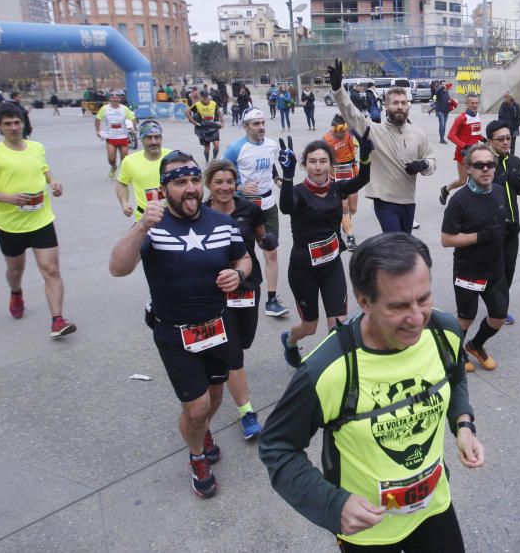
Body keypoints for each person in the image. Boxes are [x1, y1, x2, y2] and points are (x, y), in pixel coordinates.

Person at [259, 233, 484, 551]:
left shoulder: (444, 332)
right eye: (399, 306)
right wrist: (333, 504)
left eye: (424, 299)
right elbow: (277, 448)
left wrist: (462, 424)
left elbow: (456, 375)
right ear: (364, 301)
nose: (417, 317)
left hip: (434, 505)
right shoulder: (328, 368)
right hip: (370, 533)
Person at [109, 151, 252, 498]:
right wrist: (142, 225)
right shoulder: (152, 226)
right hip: (174, 330)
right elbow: (118, 267)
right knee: (197, 406)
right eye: (179, 182)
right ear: (164, 188)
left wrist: (238, 273)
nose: (189, 189)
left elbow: (244, 258)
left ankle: (200, 431)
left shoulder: (222, 222)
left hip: (217, 325)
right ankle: (197, 455)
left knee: (215, 396)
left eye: (192, 181)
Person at [0, 104, 76, 338]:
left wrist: (53, 182)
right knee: (15, 270)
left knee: (51, 269)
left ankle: (57, 320)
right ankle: (16, 292)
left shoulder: (36, 147)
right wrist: (8, 198)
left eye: (17, 122)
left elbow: (44, 168)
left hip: (41, 221)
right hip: (10, 226)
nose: (14, 127)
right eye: (8, 123)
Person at [277, 130, 373, 367]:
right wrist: (287, 177)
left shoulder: (337, 188)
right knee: (309, 327)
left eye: (323, 161)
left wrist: (365, 158)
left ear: (331, 164)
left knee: (338, 329)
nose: (318, 167)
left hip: (331, 266)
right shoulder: (298, 192)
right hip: (303, 270)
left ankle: (334, 376)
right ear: (304, 164)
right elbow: (286, 207)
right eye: (312, 162)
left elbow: (362, 180)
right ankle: (290, 340)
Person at [204, 159, 277, 440]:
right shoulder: (202, 213)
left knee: (243, 342)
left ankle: (223, 368)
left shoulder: (248, 209)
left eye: (229, 182)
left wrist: (268, 241)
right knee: (234, 354)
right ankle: (246, 411)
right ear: (209, 185)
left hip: (247, 287)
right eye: (218, 182)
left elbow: (261, 238)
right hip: (216, 292)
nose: (224, 187)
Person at [329, 60, 436, 234]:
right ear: (386, 106)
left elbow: (432, 160)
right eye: (395, 103)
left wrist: (424, 165)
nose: (400, 106)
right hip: (385, 202)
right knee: (395, 242)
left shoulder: (418, 133)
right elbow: (351, 114)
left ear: (408, 106)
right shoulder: (373, 130)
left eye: (403, 103)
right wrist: (338, 89)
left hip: (409, 200)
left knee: (404, 244)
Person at [441, 143, 509, 372]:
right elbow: (447, 239)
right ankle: (456, 350)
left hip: (495, 269)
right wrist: (481, 236)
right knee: (465, 319)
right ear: (468, 168)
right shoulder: (459, 200)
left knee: (498, 316)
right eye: (479, 165)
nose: (486, 169)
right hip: (469, 271)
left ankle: (475, 345)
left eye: (490, 164)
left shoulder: (499, 191)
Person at [223, 109, 291, 318]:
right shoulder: (235, 148)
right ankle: (236, 295)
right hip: (244, 208)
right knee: (241, 254)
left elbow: (271, 168)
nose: (261, 127)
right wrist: (239, 187)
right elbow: (222, 175)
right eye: (255, 124)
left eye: (262, 123)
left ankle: (271, 300)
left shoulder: (270, 145)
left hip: (268, 205)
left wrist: (279, 180)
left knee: (271, 251)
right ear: (246, 127)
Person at [485, 120, 520, 326]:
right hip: (492, 228)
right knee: (494, 269)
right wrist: (500, 178)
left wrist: (515, 179)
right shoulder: (484, 164)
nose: (505, 142)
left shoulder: (516, 162)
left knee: (509, 268)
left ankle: (501, 306)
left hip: (513, 226)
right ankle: (496, 307)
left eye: (508, 138)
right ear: (490, 141)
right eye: (500, 139)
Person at [116, 120, 171, 220]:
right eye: (149, 138)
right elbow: (122, 183)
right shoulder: (130, 161)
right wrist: (125, 203)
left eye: (157, 137)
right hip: (144, 218)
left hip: (172, 216)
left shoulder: (173, 157)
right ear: (141, 139)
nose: (153, 141)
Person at [323, 115, 363, 250]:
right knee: (344, 206)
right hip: (336, 174)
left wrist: (357, 146)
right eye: (341, 132)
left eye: (345, 131)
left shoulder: (349, 133)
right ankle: (350, 236)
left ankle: (344, 222)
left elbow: (359, 139)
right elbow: (323, 157)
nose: (343, 134)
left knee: (353, 208)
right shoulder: (326, 139)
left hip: (351, 171)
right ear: (335, 130)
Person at [439, 93, 484, 206]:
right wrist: (464, 146)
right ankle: (446, 190)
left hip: (475, 153)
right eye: (472, 103)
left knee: (476, 177)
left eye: (476, 103)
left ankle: (472, 200)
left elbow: (476, 133)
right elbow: (451, 135)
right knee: (462, 181)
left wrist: (484, 139)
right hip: (463, 153)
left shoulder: (477, 116)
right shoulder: (461, 118)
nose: (474, 105)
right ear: (467, 104)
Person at [95, 91, 136, 178]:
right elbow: (97, 119)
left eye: (117, 97)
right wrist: (98, 130)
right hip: (110, 137)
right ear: (110, 99)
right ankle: (113, 166)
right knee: (111, 159)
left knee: (124, 158)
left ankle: (123, 173)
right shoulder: (105, 108)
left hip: (123, 136)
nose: (115, 98)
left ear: (119, 99)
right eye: (113, 97)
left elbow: (133, 118)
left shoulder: (124, 108)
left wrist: (133, 128)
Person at [187, 90, 224, 163]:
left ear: (208, 96)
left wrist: (222, 120)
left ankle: (214, 159)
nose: (205, 99)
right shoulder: (197, 104)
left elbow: (218, 111)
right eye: (203, 97)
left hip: (213, 125)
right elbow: (187, 111)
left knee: (216, 146)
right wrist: (192, 121)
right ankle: (207, 161)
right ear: (200, 97)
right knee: (207, 147)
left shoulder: (213, 103)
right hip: (204, 126)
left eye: (206, 97)